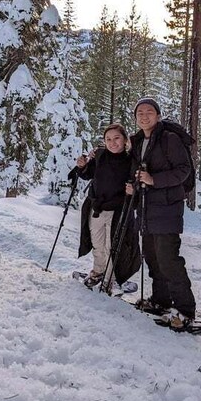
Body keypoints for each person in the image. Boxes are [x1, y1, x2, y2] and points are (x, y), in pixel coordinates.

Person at [127, 97, 196, 331]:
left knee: (169, 261)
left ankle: (185, 311)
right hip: (145, 209)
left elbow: (184, 171)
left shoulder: (169, 139)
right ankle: (161, 301)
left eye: (149, 112)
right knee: (153, 259)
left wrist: (154, 180)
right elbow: (138, 173)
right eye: (140, 113)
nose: (144, 116)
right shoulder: (137, 142)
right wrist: (135, 185)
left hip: (167, 209)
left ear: (157, 115)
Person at [75, 123, 131, 290]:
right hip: (97, 207)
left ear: (125, 140)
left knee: (111, 246)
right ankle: (98, 271)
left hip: (117, 209)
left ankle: (109, 278)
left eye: (116, 138)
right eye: (108, 139)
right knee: (97, 242)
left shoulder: (129, 160)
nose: (112, 142)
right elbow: (87, 174)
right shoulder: (100, 155)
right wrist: (82, 166)